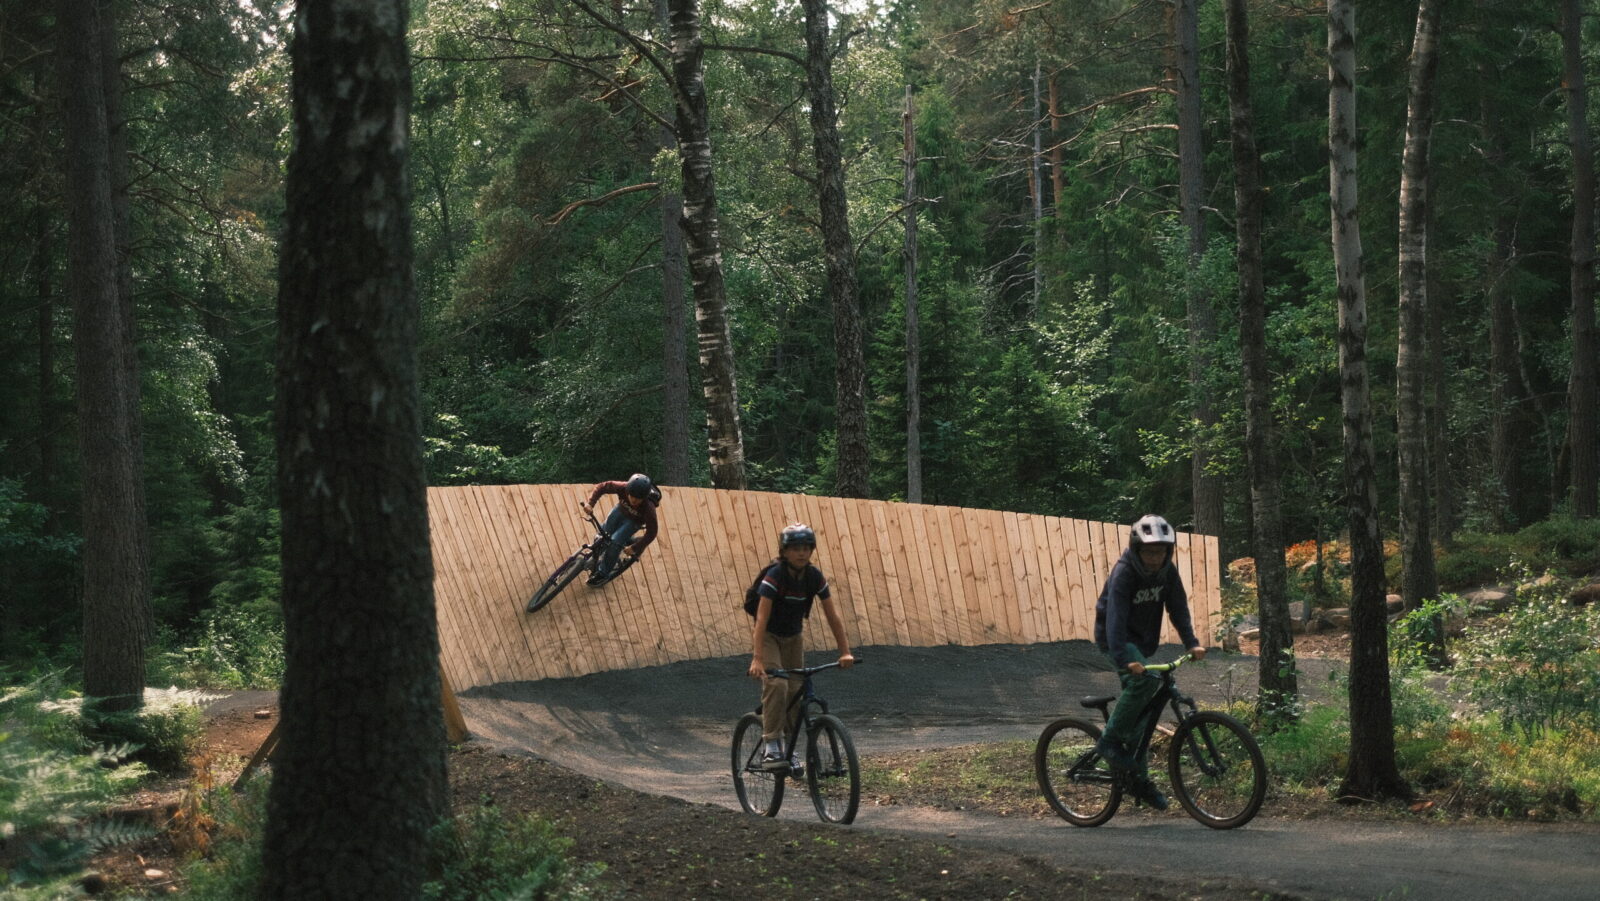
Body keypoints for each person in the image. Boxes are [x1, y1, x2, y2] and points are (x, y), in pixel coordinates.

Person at [1091, 513, 1207, 811]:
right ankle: (1109, 741)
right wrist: (1122, 659)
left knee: (1142, 722)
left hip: (1141, 643)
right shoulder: (1124, 573)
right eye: (1149, 551)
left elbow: (1178, 608)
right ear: (1136, 549)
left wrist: (1191, 642)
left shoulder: (1168, 572)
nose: (1155, 558)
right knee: (1147, 682)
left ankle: (1137, 781)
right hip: (1116, 640)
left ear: (1168, 551)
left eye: (1161, 551)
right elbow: (1114, 618)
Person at [746, 522, 855, 772]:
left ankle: (791, 748)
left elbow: (832, 616)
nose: (801, 553)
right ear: (784, 552)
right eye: (795, 548)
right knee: (777, 683)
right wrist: (757, 659)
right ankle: (772, 745)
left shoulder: (814, 577)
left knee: (796, 692)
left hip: (793, 637)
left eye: (806, 547)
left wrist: (845, 651)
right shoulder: (776, 575)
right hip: (769, 636)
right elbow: (761, 619)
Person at [580, 473, 660, 585]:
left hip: (635, 521)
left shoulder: (649, 508)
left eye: (638, 499)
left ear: (644, 498)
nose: (633, 500)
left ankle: (603, 573)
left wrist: (635, 547)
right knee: (602, 535)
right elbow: (603, 486)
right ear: (627, 490)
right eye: (631, 496)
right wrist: (590, 503)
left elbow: (652, 532)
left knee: (615, 542)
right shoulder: (623, 487)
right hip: (621, 510)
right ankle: (596, 555)